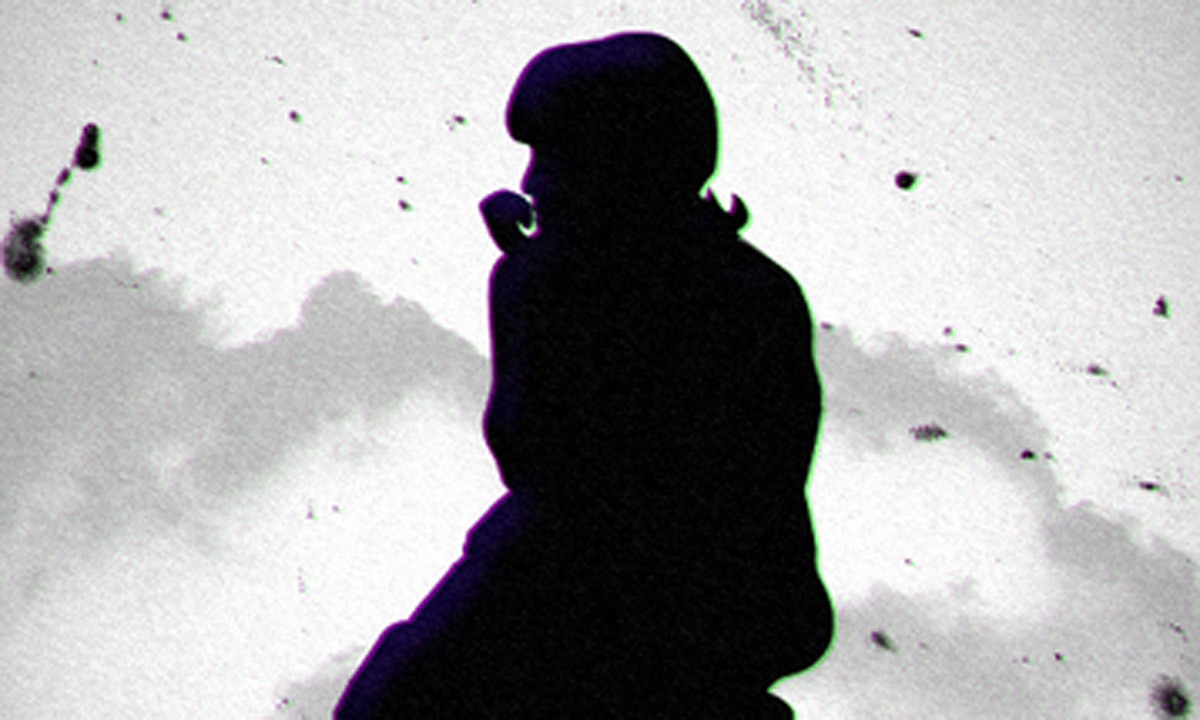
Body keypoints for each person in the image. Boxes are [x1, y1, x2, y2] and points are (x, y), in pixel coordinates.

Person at [335, 31, 833, 718]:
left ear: (620, 164)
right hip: (743, 600)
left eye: (552, 157)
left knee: (396, 702)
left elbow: (536, 455)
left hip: (611, 581)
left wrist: (531, 284)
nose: (532, 182)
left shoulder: (570, 285)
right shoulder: (758, 290)